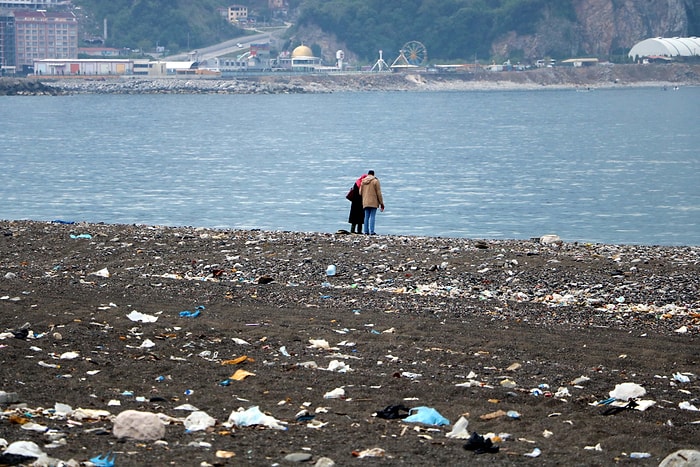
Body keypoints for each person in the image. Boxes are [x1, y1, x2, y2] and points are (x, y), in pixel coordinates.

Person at [359, 170, 384, 235]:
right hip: (373, 201)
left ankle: (366, 231)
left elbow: (360, 192)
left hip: (365, 201)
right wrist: (381, 203)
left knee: (366, 216)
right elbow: (379, 193)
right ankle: (372, 231)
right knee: (372, 216)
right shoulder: (375, 181)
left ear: (368, 174)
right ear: (373, 174)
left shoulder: (363, 181)